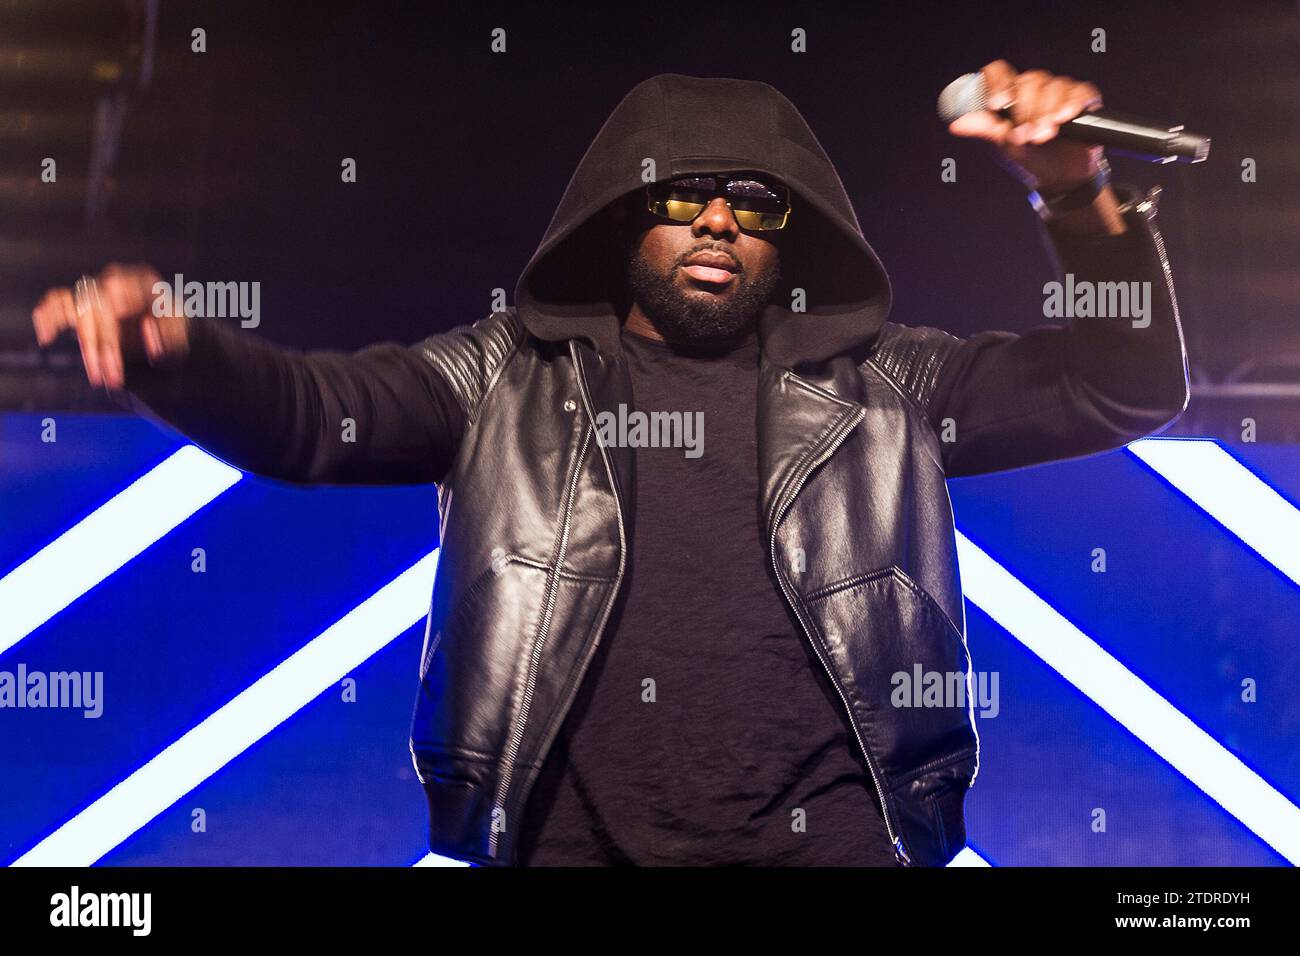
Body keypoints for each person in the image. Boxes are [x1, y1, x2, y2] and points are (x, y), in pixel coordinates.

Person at [31, 63, 1190, 867]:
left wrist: (1076, 196)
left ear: (789, 233)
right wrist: (179, 356)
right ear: (623, 215)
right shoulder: (502, 377)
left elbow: (1125, 383)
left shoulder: (890, 382)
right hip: (565, 848)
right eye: (685, 195)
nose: (719, 222)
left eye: (753, 201)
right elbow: (312, 416)